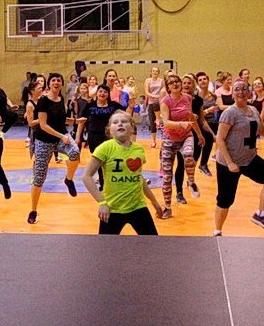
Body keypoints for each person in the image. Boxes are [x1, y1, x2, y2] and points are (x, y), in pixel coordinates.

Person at [214, 80, 264, 234]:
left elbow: (263, 132)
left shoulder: (253, 110)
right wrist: (230, 163)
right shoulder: (230, 113)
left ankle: (260, 215)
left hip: (249, 159)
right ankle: (217, 231)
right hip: (228, 163)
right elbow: (219, 139)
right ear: (232, 94)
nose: (241, 92)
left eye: (244, 89)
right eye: (237, 89)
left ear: (249, 92)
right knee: (225, 200)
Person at [82, 110, 165, 235]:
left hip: (138, 207)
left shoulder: (138, 149)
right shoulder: (105, 148)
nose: (120, 124)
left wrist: (154, 201)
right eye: (115, 122)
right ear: (110, 130)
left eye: (124, 121)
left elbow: (138, 177)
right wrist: (102, 202)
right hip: (112, 209)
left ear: (132, 128)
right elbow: (86, 176)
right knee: (106, 249)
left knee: (152, 245)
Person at [28, 73, 80, 225]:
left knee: (75, 152)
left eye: (59, 80)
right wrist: (62, 136)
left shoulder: (61, 99)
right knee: (39, 178)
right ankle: (33, 210)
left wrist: (75, 121)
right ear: (49, 84)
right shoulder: (43, 100)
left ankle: (68, 180)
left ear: (62, 84)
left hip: (60, 136)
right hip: (44, 140)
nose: (56, 82)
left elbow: (60, 120)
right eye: (53, 80)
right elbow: (43, 125)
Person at [159, 74, 199, 214]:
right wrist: (181, 124)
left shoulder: (188, 98)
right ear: (168, 87)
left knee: (188, 155)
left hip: (186, 136)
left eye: (177, 81)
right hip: (170, 139)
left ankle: (191, 182)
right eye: (171, 83)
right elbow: (167, 123)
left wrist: (199, 134)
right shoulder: (165, 101)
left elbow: (191, 117)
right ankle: (168, 207)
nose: (175, 84)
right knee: (167, 176)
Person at [143, 66, 165, 147]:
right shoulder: (148, 80)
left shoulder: (161, 81)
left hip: (160, 103)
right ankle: (153, 141)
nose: (155, 72)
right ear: (151, 72)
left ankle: (164, 140)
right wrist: (155, 96)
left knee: (162, 121)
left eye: (156, 71)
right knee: (152, 122)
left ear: (158, 73)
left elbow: (163, 91)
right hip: (152, 102)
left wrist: (160, 97)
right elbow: (147, 92)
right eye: (153, 71)